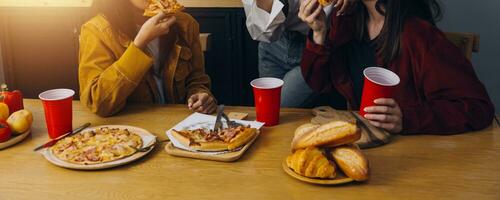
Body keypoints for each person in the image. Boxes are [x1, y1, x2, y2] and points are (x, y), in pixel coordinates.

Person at [299, 0, 495, 134]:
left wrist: (406, 119)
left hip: (413, 159)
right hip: (367, 144)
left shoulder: (419, 36)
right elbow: (320, 84)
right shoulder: (345, 20)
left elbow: (479, 107)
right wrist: (318, 33)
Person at [79, 0, 217, 117]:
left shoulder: (186, 24)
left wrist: (200, 94)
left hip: (180, 124)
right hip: (129, 131)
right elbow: (98, 102)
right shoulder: (96, 30)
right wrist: (139, 44)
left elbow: (196, 79)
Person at [242, 0, 356, 107]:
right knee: (268, 109)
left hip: (315, 45)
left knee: (280, 107)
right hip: (274, 45)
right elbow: (262, 31)